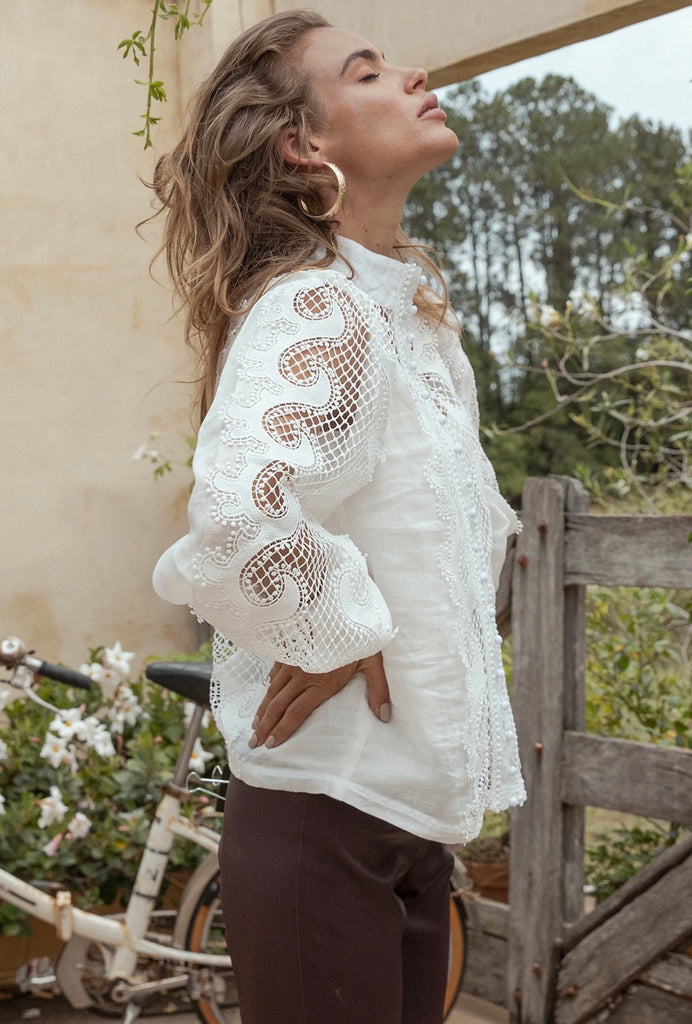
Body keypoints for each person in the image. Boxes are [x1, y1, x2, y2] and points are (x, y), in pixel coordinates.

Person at [151, 10, 525, 1024]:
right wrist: (337, 622)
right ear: (301, 144)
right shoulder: (321, 309)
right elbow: (237, 519)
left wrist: (366, 607)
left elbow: (460, 532)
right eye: (366, 73)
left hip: (397, 823)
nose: (412, 75)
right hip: (327, 822)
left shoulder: (406, 314)